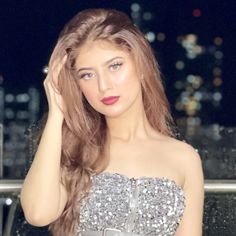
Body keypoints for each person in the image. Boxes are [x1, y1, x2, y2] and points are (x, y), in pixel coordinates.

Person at [20, 8, 204, 236]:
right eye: (87, 75)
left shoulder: (184, 158)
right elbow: (38, 214)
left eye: (115, 66)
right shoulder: (73, 149)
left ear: (141, 65)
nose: (104, 86)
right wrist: (57, 113)